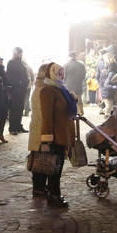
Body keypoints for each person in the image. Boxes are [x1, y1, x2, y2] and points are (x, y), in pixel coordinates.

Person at [39, 63, 79, 208]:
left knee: (58, 166)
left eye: (63, 72)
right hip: (55, 135)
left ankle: (54, 194)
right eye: (59, 72)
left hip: (64, 133)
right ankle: (54, 196)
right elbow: (46, 117)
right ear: (52, 73)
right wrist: (47, 138)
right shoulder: (48, 91)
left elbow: (68, 110)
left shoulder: (61, 89)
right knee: (54, 168)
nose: (62, 75)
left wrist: (74, 100)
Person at [28, 63, 51, 198]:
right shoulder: (43, 90)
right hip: (41, 128)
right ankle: (39, 188)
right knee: (41, 160)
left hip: (37, 128)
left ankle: (39, 187)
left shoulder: (39, 88)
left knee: (38, 157)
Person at [6, 47, 30, 135]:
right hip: (15, 89)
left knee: (20, 108)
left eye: (21, 53)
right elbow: (9, 76)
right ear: (15, 53)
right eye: (19, 53)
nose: (21, 54)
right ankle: (12, 127)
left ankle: (18, 126)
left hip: (22, 89)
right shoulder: (11, 63)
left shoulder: (22, 63)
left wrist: (26, 81)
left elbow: (24, 74)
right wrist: (18, 83)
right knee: (14, 108)